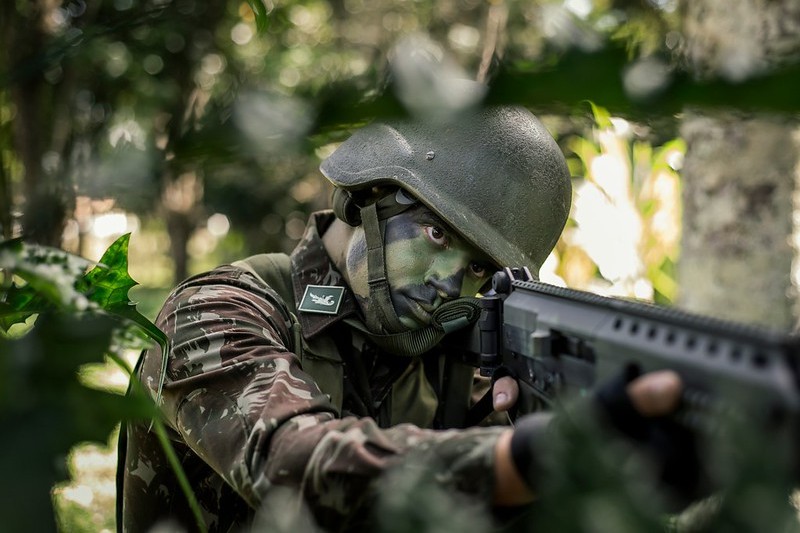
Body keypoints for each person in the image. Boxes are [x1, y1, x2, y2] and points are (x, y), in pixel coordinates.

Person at [117, 105, 684, 532]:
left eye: (479, 271)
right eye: (437, 236)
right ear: (370, 193)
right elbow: (292, 464)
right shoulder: (217, 312)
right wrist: (524, 458)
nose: (448, 285)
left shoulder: (464, 345)